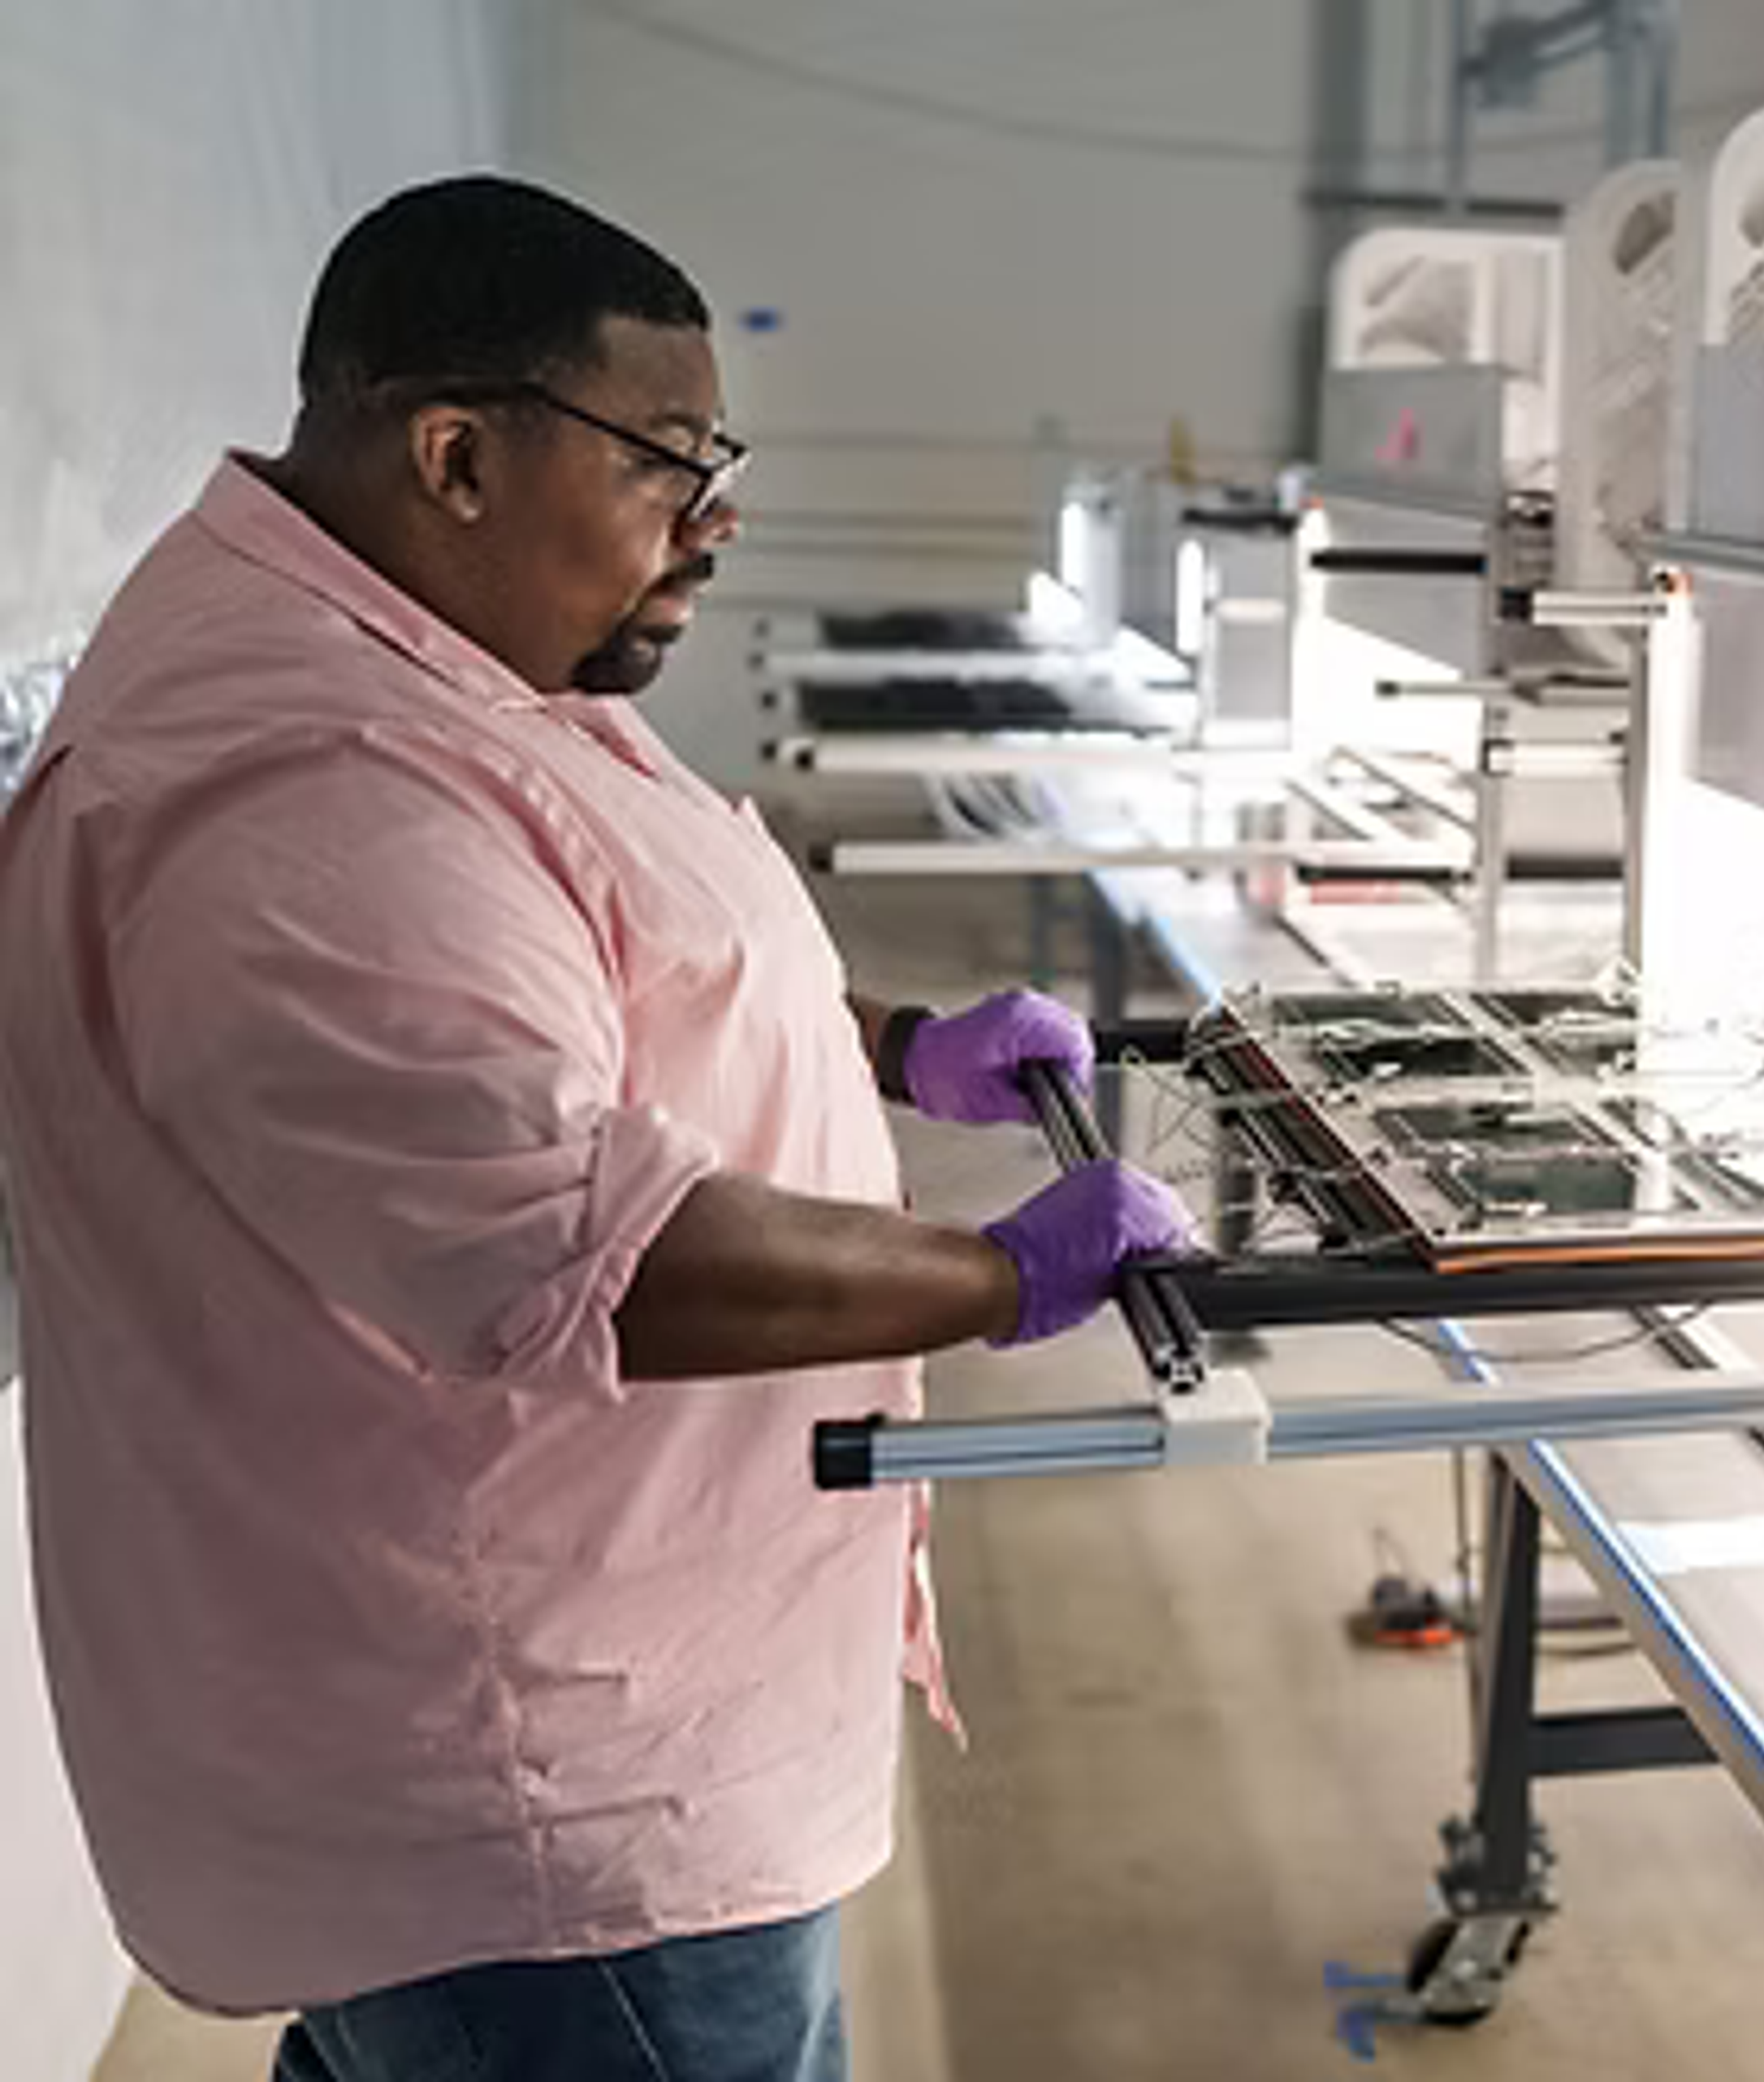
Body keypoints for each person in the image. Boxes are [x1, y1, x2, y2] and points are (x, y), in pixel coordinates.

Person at [0, 175, 1190, 2082]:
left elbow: (582, 966)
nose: (715, 519)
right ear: (458, 456)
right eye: (667, 461)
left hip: (578, 1731)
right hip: (548, 1819)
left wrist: (895, 1050)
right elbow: (580, 1250)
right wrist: (993, 1277)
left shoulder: (421, 651)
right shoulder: (309, 779)